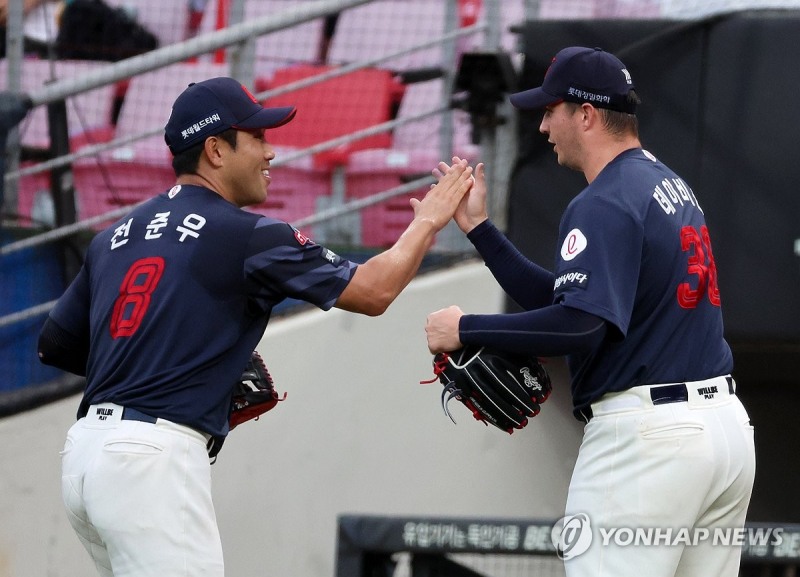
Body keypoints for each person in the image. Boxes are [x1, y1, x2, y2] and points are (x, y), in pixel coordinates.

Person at [37, 76, 473, 577]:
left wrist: (166, 361)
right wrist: (428, 220)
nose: (271, 152)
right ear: (216, 150)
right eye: (258, 138)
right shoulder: (248, 235)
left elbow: (55, 345)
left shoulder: (114, 235)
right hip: (151, 461)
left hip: (84, 456)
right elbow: (374, 291)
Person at [424, 47, 755, 577]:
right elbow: (570, 299)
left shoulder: (603, 200)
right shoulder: (665, 184)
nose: (542, 125)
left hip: (649, 441)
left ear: (586, 113)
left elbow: (579, 324)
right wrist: (480, 230)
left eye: (550, 109)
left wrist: (465, 328)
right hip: (722, 432)